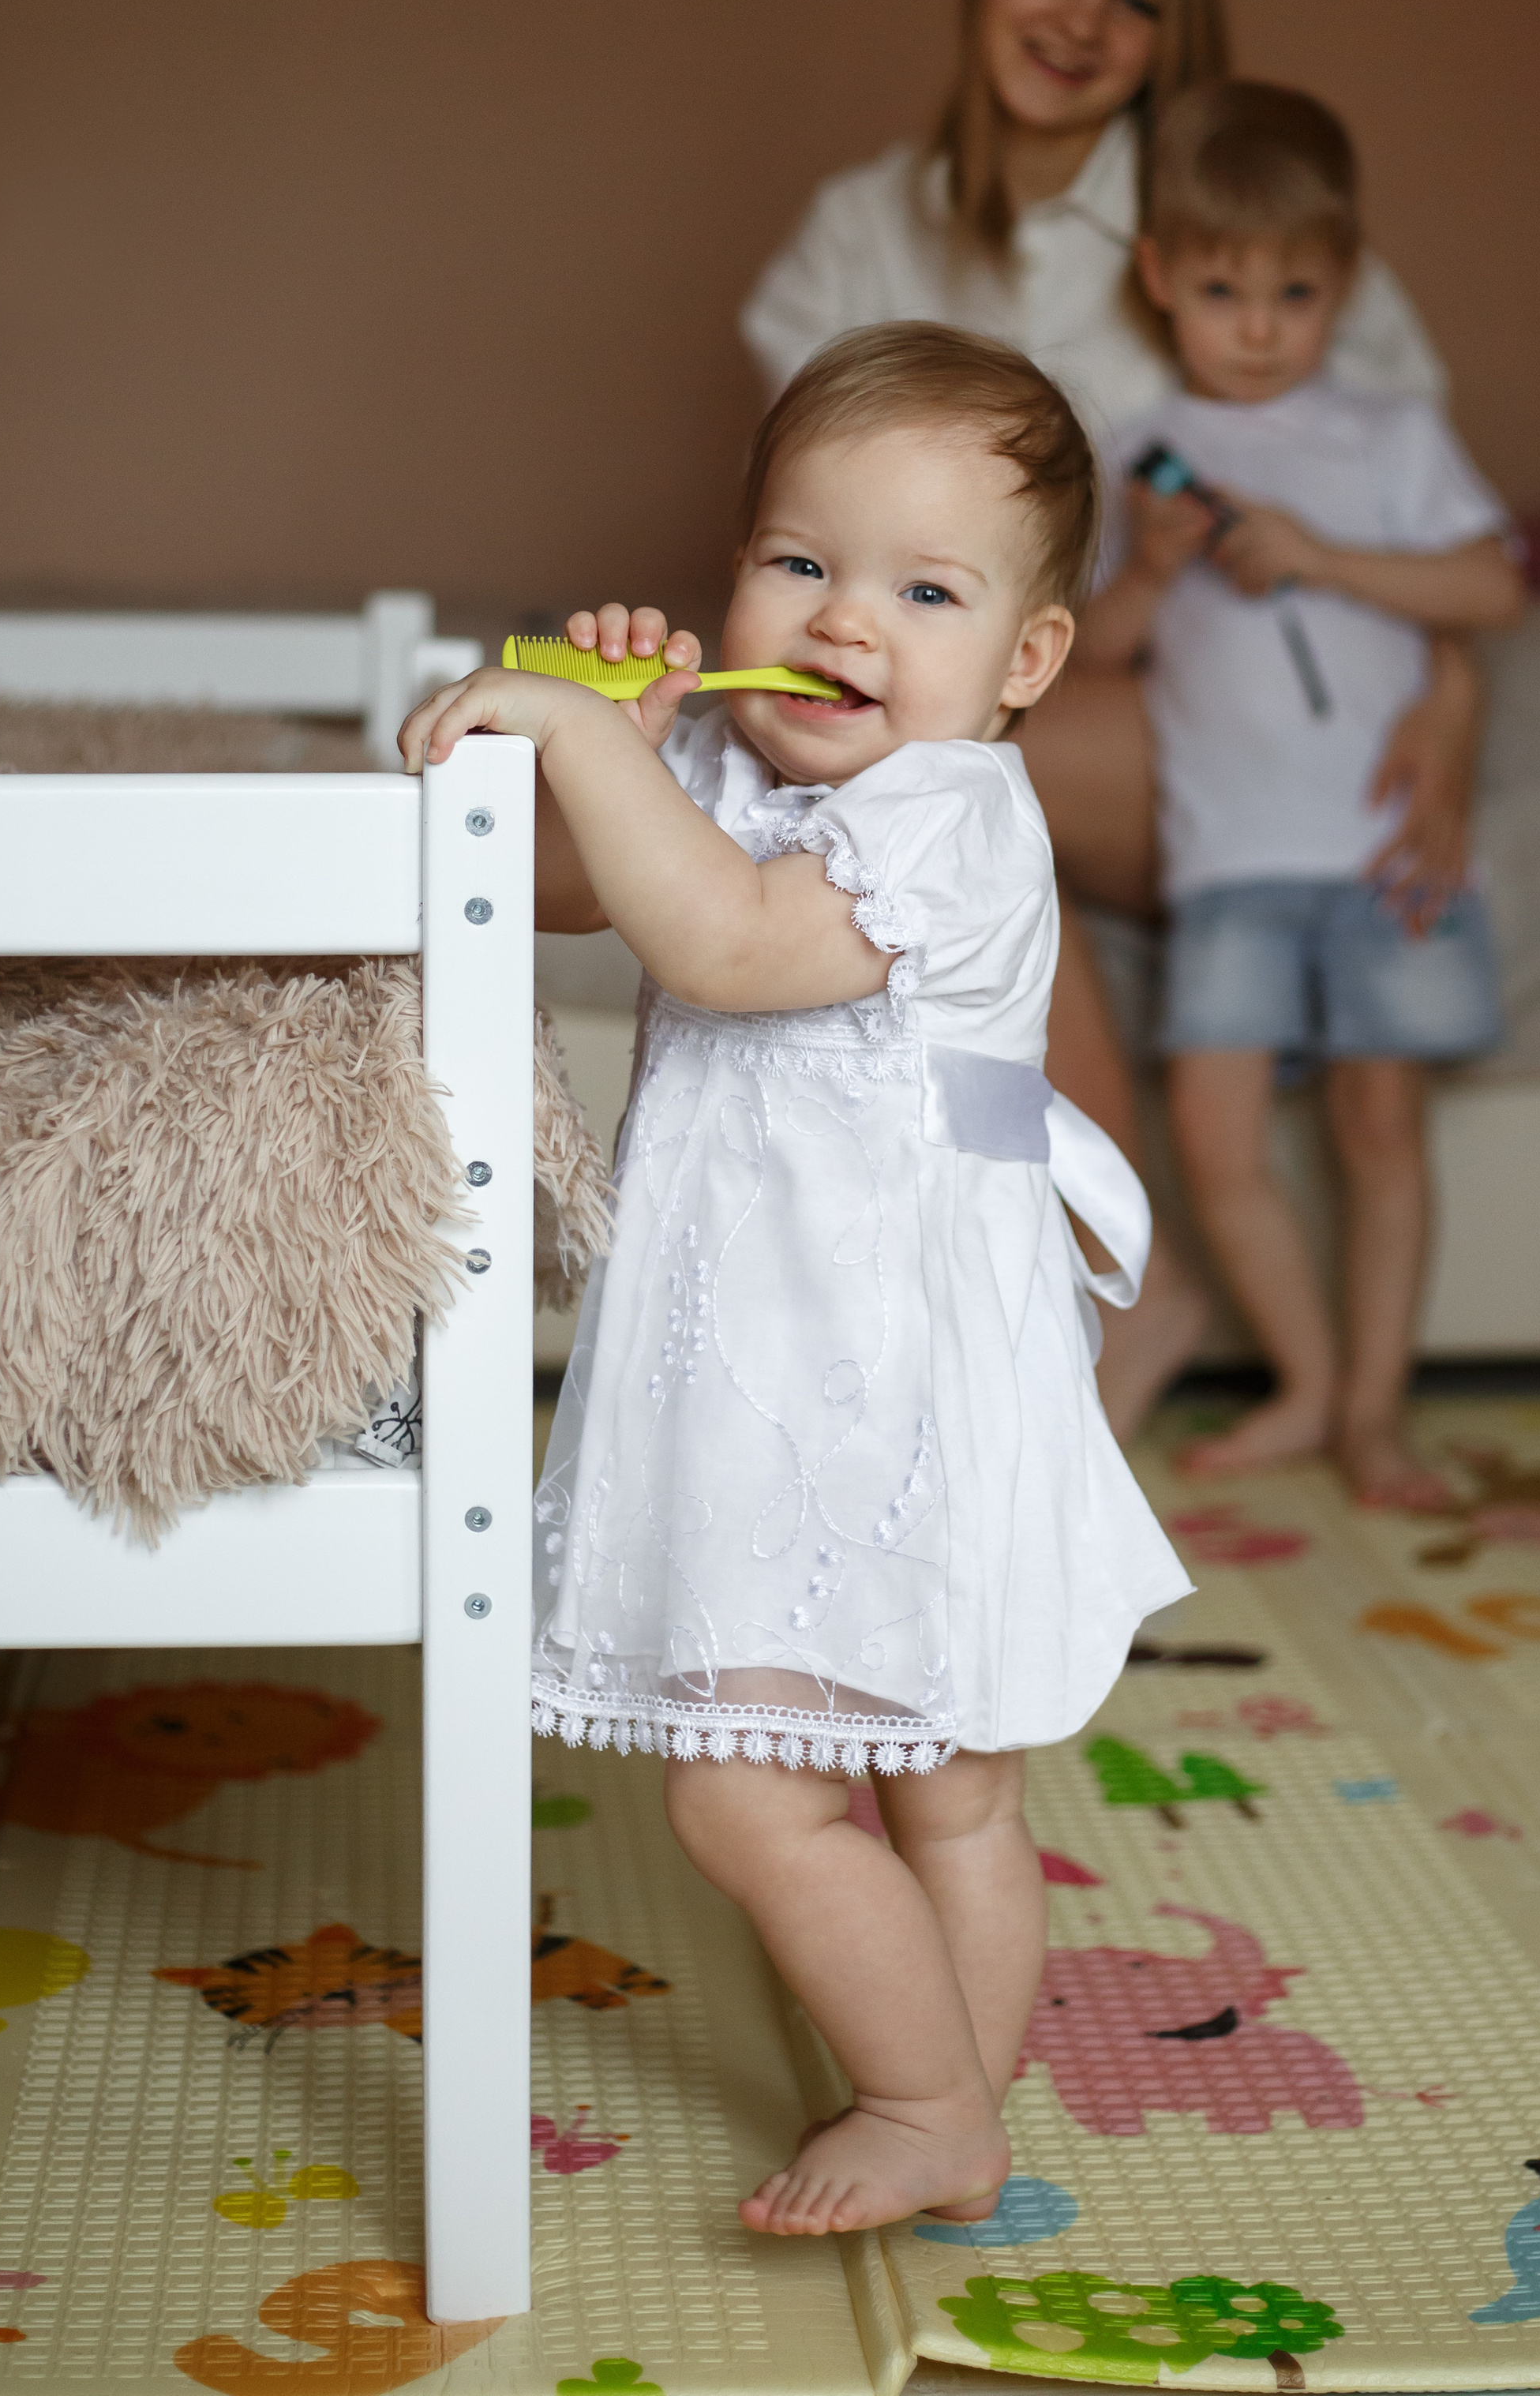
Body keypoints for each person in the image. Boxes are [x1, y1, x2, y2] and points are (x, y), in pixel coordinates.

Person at [401, 325, 1190, 2240]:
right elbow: (566, 895)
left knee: (747, 1800)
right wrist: (575, 731)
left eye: (923, 592)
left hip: (885, 1379)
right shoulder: (730, 761)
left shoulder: (953, 815)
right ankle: (955, 2107)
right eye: (799, 562)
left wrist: (596, 745)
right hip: (789, 1363)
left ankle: (925, 2106)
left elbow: (735, 948)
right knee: (943, 1790)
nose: (843, 620)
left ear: (1023, 663)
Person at [743, 0, 1482, 1434]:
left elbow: (1409, 488)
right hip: (1045, 695)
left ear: (1174, 32)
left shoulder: (1234, 221)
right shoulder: (862, 234)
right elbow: (816, 529)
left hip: (1243, 721)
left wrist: (1455, 711)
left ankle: (1113, 1275)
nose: (1081, 21)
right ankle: (1107, 1271)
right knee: (952, 772)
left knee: (951, 775)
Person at [1079, 81, 1524, 1505]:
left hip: (1377, 850)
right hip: (1227, 859)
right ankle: (1311, 1381)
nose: (1260, 328)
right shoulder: (1143, 459)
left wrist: (1320, 556)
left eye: (1295, 294)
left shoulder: (1391, 438)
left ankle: (1376, 1414)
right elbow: (1086, 655)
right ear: (1161, 276)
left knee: (1380, 1128)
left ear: (1347, 280)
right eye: (1222, 291)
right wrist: (1155, 571)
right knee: (1214, 1141)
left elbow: (1493, 585)